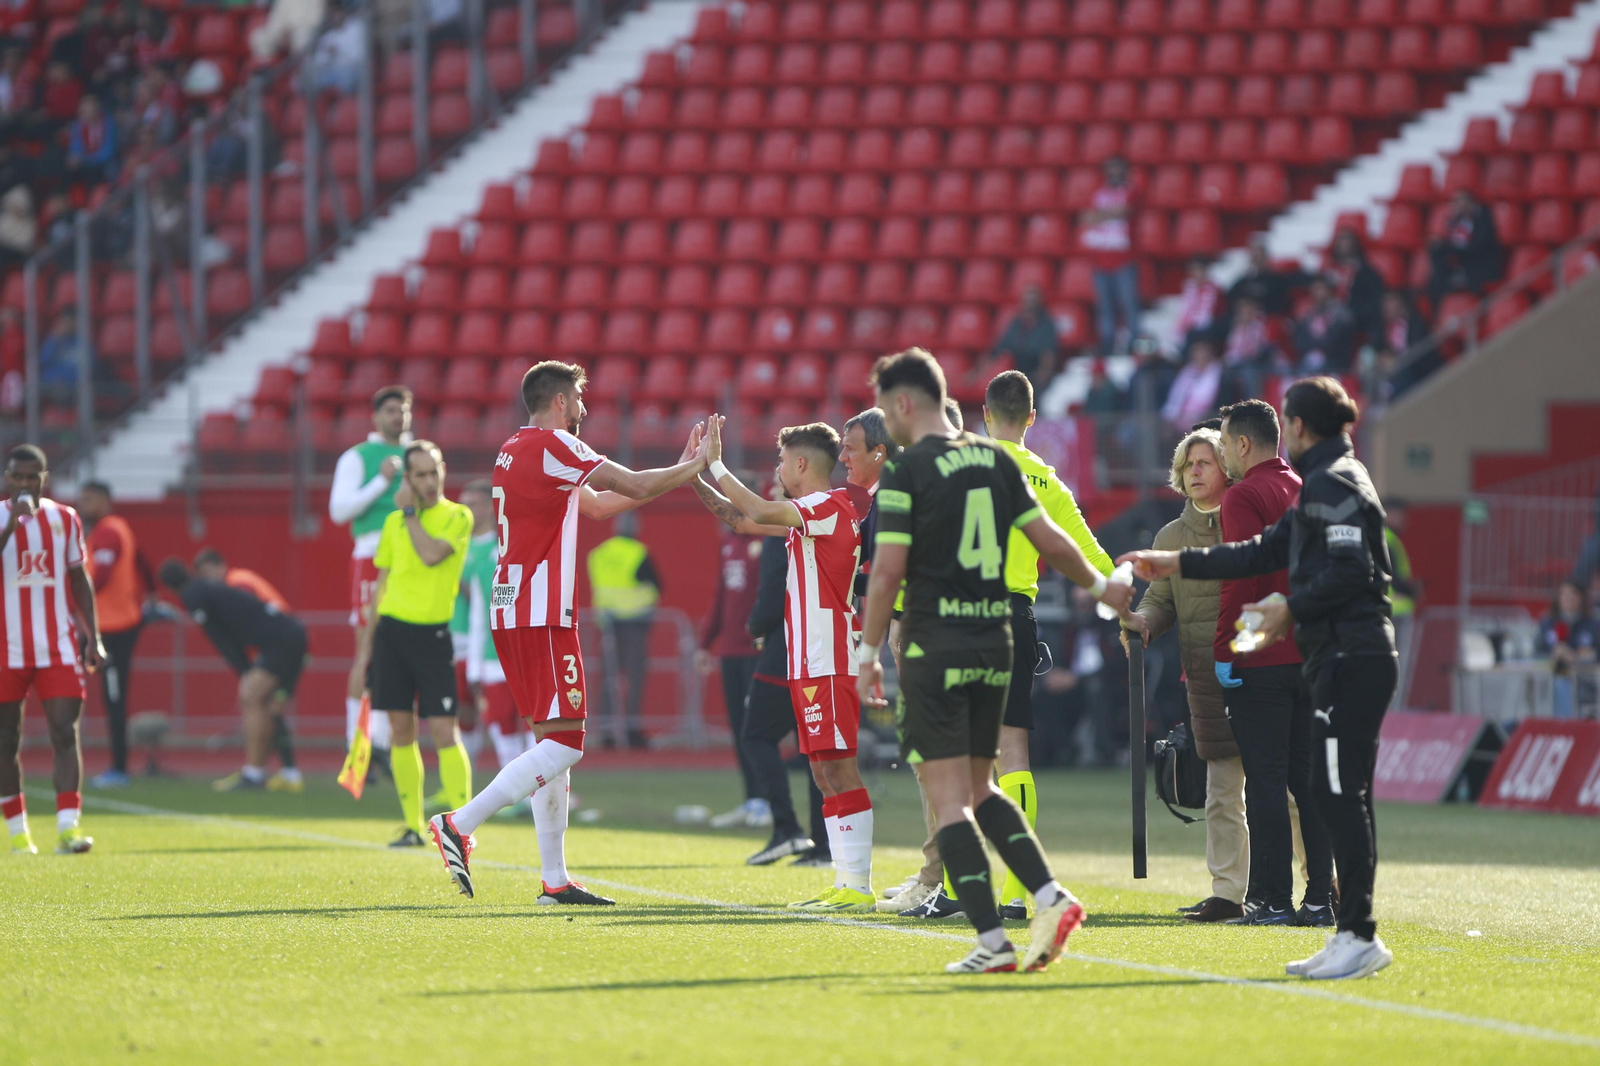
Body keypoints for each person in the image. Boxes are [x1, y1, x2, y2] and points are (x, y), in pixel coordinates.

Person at [857, 349, 1133, 975]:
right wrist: (1104, 589)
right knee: (985, 783)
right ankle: (1046, 894)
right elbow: (1051, 541)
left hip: (938, 634)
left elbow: (889, 571)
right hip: (1000, 635)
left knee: (945, 787)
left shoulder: (908, 472)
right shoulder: (1000, 463)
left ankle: (992, 936)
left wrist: (868, 651)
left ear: (904, 404)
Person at [1122, 377, 1398, 980]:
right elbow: (1261, 553)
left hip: (1347, 657)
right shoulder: (1316, 484)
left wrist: (1281, 615)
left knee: (1319, 791)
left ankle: (1331, 919)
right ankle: (1336, 917)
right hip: (1328, 658)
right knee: (1323, 791)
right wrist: (1176, 562)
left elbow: (1354, 572)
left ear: (1297, 427)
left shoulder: (1334, 482)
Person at [427, 360, 710, 904]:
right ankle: (459, 824)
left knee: (550, 745)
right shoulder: (556, 447)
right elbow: (627, 481)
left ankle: (554, 879)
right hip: (542, 613)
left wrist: (678, 470)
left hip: (515, 609)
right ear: (559, 401)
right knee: (566, 743)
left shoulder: (515, 449)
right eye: (579, 399)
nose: (584, 410)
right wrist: (695, 466)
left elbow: (603, 505)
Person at [692, 416, 876, 912]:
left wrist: (716, 462)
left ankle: (857, 884)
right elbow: (740, 519)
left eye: (780, 460)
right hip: (806, 660)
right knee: (821, 773)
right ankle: (845, 881)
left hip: (829, 658)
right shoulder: (805, 512)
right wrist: (694, 474)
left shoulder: (828, 504)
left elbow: (753, 506)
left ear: (800, 464)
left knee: (839, 770)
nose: (776, 468)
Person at [983, 370, 1115, 921]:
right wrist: (1130, 602)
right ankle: (1017, 889)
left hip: (959, 615)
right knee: (1015, 754)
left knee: (956, 757)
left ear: (985, 415)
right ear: (1032, 419)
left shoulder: (965, 468)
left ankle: (949, 887)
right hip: (1016, 617)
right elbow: (1093, 561)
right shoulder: (1049, 483)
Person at [1121, 428, 1249, 923]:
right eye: (1188, 464)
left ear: (1226, 470)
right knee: (1221, 790)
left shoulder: (1249, 524)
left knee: (1284, 790)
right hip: (1203, 679)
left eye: (1205, 463)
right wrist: (1141, 623)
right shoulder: (1169, 537)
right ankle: (1228, 894)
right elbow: (1159, 603)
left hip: (1259, 672)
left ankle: (1322, 887)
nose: (1194, 471)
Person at [367, 441, 474, 846]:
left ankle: (463, 827)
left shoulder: (457, 516)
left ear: (443, 470)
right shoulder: (394, 522)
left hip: (432, 635)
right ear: (407, 479)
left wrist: (410, 512)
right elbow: (382, 584)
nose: (430, 482)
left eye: (435, 472)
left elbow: (430, 556)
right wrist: (366, 647)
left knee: (445, 731)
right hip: (391, 632)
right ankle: (413, 826)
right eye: (421, 475)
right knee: (400, 730)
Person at [1, 445, 102, 857]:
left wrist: (92, 636)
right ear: (8, 478)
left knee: (65, 731)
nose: (25, 484)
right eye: (18, 477)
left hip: (57, 645)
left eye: (33, 476)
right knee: (6, 741)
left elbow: (79, 580)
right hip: (5, 648)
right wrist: (13, 522)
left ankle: (67, 830)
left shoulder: (65, 518)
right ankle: (17, 832)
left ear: (45, 477)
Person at [725, 482, 824, 867]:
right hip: (822, 644)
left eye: (781, 461)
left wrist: (757, 627)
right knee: (818, 748)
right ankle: (824, 844)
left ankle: (788, 829)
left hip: (787, 646)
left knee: (756, 734)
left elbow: (771, 590)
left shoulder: (785, 522)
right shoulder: (831, 511)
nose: (775, 471)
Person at [158, 559, 305, 793]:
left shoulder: (194, 596)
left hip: (281, 641)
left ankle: (255, 773)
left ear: (168, 587)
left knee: (250, 696)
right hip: (287, 637)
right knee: (265, 705)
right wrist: (246, 668)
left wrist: (244, 670)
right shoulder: (205, 589)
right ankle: (266, 771)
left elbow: (221, 638)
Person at [328, 386, 411, 772]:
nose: (399, 417)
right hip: (372, 556)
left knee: (405, 654)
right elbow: (339, 511)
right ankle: (357, 747)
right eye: (392, 410)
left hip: (412, 558)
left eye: (404, 410)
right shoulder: (357, 457)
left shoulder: (417, 453)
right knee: (367, 650)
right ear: (376, 416)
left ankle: (387, 745)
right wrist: (381, 482)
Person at [455, 479, 528, 794]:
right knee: (497, 724)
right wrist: (473, 667)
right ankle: (513, 793)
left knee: (531, 727)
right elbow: (477, 616)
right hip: (479, 654)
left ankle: (540, 793)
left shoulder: (505, 551)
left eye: (472, 503)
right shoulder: (454, 547)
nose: (465, 511)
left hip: (517, 655)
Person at [78, 480, 150, 789]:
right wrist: (153, 594)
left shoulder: (107, 531)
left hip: (112, 628)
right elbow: (142, 562)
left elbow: (102, 577)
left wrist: (77, 600)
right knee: (112, 698)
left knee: (114, 698)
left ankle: (119, 768)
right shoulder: (118, 528)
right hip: (114, 624)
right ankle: (117, 766)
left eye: (90, 498)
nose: (83, 504)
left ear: (106, 500)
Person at [699, 524, 771, 831]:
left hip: (756, 650)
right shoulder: (727, 542)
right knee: (739, 728)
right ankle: (752, 799)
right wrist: (706, 642)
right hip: (729, 651)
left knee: (758, 728)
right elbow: (720, 594)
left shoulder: (768, 539)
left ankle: (768, 800)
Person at [587, 512, 662, 750]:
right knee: (635, 677)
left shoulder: (599, 553)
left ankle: (607, 731)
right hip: (634, 622)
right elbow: (657, 586)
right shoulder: (638, 553)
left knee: (608, 678)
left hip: (607, 622)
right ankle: (632, 729)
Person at [1081, 156, 1140, 356]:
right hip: (1100, 259)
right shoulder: (1098, 193)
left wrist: (1100, 215)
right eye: (1111, 168)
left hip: (1124, 259)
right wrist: (1109, 214)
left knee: (1129, 303)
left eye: (1118, 168)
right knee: (1105, 307)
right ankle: (1108, 343)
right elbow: (1086, 217)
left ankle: (1133, 341)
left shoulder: (1131, 190)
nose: (1114, 173)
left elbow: (1125, 212)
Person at [1427, 188, 1504, 317]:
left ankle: (1480, 316)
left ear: (1472, 203)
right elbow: (1452, 245)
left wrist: (1448, 248)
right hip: (1459, 265)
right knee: (1434, 276)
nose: (1458, 206)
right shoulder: (1454, 222)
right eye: (1456, 203)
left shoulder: (1484, 219)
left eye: (1461, 202)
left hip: (1479, 266)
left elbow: (1478, 247)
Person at [1539, 579, 1596, 719]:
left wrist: (1577, 656)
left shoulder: (1592, 624)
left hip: (1586, 681)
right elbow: (1535, 651)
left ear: (1581, 598)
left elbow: (1595, 653)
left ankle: (1565, 727)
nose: (1568, 599)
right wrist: (1554, 654)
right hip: (1547, 679)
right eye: (1563, 594)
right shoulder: (1548, 622)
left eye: (1573, 594)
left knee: (1563, 684)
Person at [989, 283, 1059, 389]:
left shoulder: (1047, 326)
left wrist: (1038, 382)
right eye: (1027, 301)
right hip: (1017, 375)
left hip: (1036, 377)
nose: (1029, 306)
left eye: (1033, 302)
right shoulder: (1016, 324)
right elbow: (998, 350)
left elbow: (1048, 359)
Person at [1227, 235, 1307, 319]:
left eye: (1259, 256)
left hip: (1269, 320)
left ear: (1265, 257)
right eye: (1254, 256)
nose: (1257, 260)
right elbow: (1231, 299)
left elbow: (1282, 302)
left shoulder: (1276, 279)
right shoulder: (1243, 282)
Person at [1326, 228, 1386, 340]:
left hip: (1355, 318)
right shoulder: (1328, 270)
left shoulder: (1367, 273)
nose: (1344, 245)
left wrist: (1352, 312)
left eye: (1348, 241)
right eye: (1341, 241)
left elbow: (1374, 301)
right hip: (1328, 313)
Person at [1292, 276, 1357, 373]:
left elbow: (1337, 340)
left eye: (1319, 289)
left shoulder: (1341, 313)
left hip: (1334, 359)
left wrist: (1319, 348)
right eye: (1314, 289)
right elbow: (1300, 341)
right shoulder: (1308, 314)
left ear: (1329, 290)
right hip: (1309, 358)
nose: (1315, 293)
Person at [193, 547, 289, 612]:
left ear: (221, 566)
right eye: (203, 575)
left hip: (281, 626)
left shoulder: (237, 583)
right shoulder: (233, 580)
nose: (207, 578)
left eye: (208, 571)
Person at [1172, 256, 1222, 355]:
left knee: (1191, 336)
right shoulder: (1189, 287)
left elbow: (1206, 316)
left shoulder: (1213, 289)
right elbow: (1185, 310)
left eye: (1197, 269)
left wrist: (1189, 327)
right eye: (1192, 269)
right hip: (1190, 327)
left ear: (1205, 270)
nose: (1194, 273)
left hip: (1208, 328)